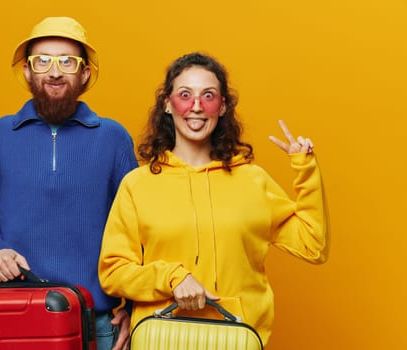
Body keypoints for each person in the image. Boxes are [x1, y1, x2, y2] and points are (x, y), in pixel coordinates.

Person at [98, 52, 330, 346]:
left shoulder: (253, 181)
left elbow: (313, 245)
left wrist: (305, 168)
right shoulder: (137, 185)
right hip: (163, 338)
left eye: (208, 95)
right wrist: (172, 278)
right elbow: (114, 272)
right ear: (167, 104)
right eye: (185, 95)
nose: (196, 106)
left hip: (236, 339)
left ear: (222, 107)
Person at [0, 17, 138, 350]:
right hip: (17, 315)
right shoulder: (1, 134)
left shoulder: (113, 138)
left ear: (85, 74)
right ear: (27, 72)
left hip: (96, 323)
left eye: (67, 61)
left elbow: (141, 229)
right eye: (42, 61)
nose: (54, 71)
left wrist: (134, 309)